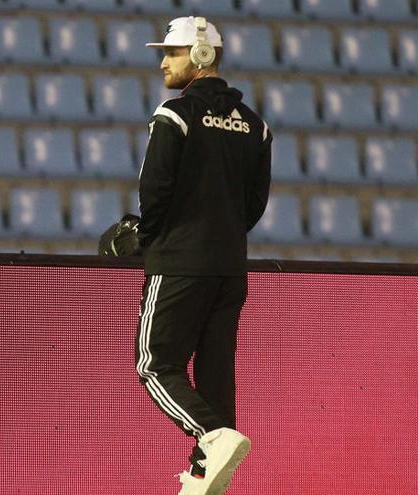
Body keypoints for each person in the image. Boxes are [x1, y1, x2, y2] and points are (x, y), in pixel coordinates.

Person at [137, 16, 271, 494]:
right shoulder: (256, 126)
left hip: (178, 263)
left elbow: (152, 193)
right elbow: (254, 205)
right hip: (231, 268)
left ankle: (210, 438)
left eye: (171, 52)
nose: (163, 62)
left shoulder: (174, 114)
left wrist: (149, 238)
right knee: (216, 378)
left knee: (154, 364)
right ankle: (201, 478)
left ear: (200, 56)